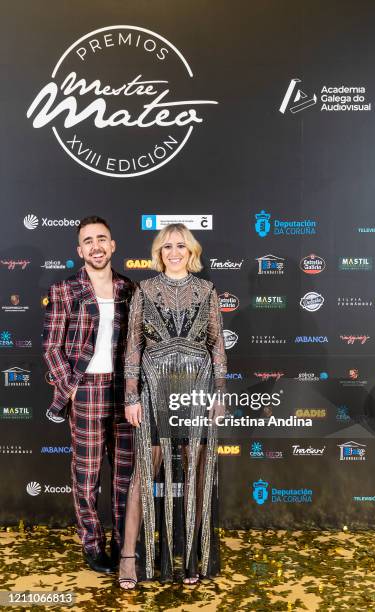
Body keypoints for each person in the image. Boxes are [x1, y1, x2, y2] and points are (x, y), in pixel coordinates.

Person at [119, 223, 227, 589]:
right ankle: (130, 557)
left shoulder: (208, 291)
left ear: (191, 251)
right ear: (159, 252)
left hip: (196, 393)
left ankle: (193, 555)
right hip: (154, 394)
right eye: (167, 247)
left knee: (196, 475)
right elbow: (133, 346)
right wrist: (131, 396)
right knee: (143, 475)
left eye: (181, 245)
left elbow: (217, 347)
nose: (174, 252)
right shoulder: (144, 291)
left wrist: (220, 393)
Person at [42, 216, 134, 573]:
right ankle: (93, 545)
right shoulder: (64, 290)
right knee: (87, 475)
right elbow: (52, 348)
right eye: (88, 241)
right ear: (80, 250)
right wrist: (73, 385)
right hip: (86, 391)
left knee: (125, 475)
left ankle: (124, 544)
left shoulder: (130, 289)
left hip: (125, 392)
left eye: (102, 239)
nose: (96, 246)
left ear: (112, 246)